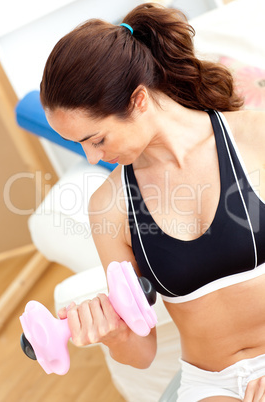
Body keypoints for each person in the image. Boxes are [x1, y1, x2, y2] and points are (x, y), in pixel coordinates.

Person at [40, 3, 265, 401]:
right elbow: (142, 352)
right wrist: (115, 334)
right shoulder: (109, 205)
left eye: (97, 139)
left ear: (138, 100)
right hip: (211, 383)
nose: (93, 158)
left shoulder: (253, 138)